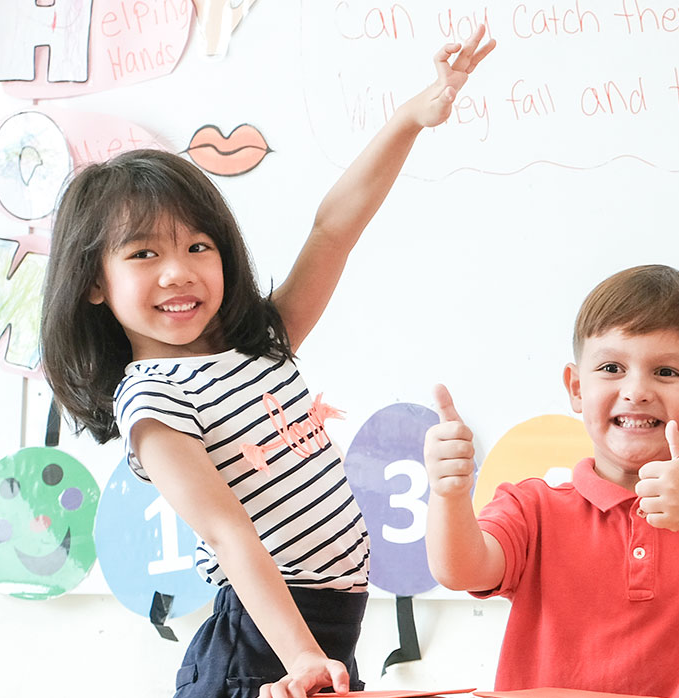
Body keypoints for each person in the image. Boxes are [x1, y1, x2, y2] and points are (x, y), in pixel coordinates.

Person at [38, 26, 497, 698]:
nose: (178, 273)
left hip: (325, 636)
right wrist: (302, 658)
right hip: (265, 647)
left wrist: (410, 118)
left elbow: (333, 229)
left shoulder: (260, 345)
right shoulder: (152, 401)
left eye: (198, 247)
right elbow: (227, 533)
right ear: (93, 282)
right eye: (143, 255)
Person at [424, 265, 679, 697]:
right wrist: (449, 495)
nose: (636, 390)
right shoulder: (532, 507)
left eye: (667, 372)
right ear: (576, 387)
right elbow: (461, 570)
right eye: (612, 367)